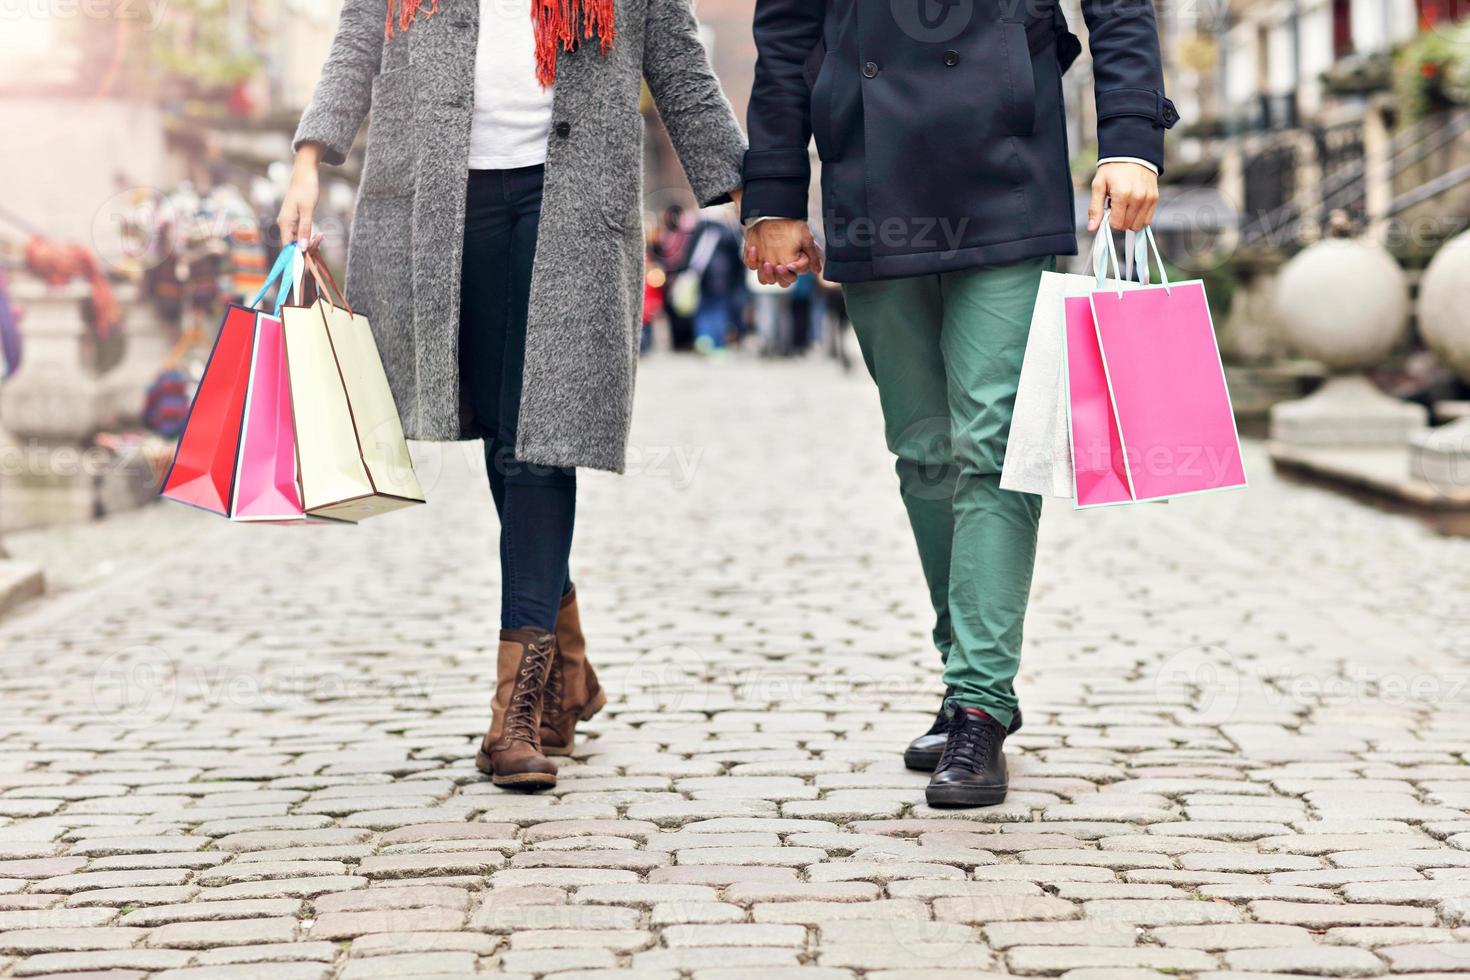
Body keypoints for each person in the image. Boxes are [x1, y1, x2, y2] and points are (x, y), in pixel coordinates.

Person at [279, 0, 746, 789]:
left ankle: (517, 713)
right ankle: (566, 667)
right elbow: (358, 39)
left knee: (539, 438)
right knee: (503, 432)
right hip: (435, 203)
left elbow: (679, 63)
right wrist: (307, 163)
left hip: (567, 204)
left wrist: (759, 200)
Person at [742, 0, 1176, 807]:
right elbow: (786, 32)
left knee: (994, 441)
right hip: (870, 177)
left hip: (1010, 170)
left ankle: (982, 703)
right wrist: (773, 195)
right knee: (923, 450)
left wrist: (1128, 139)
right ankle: (961, 673)